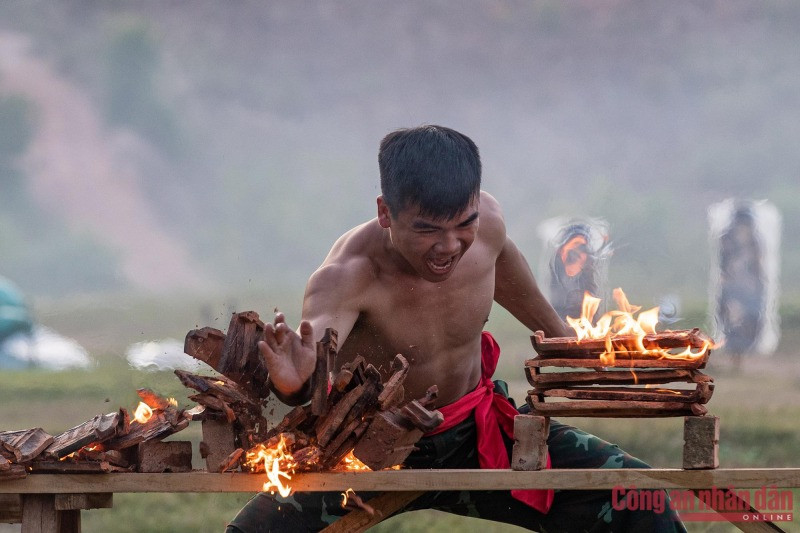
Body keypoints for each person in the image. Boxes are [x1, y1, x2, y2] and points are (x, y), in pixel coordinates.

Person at [228, 125, 685, 532]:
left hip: (475, 433)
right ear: (386, 212)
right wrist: (295, 385)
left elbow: (517, 282)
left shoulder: (487, 229)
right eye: (427, 230)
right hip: (369, 450)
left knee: (636, 498)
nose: (449, 246)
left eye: (463, 224)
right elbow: (310, 358)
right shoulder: (348, 275)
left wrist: (574, 347)